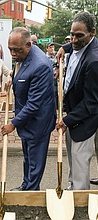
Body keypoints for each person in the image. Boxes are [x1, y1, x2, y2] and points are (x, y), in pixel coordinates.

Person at [1, 27, 56, 191]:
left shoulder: (41, 66)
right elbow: (24, 75)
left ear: (29, 45)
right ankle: (26, 185)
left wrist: (14, 123)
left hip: (38, 122)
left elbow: (34, 104)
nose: (13, 54)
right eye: (10, 49)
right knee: (28, 158)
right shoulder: (24, 56)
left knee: (35, 161)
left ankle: (31, 193)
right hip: (28, 121)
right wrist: (14, 79)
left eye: (17, 50)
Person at [56, 11, 98, 190]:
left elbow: (91, 102)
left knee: (80, 161)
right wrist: (63, 48)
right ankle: (73, 188)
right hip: (74, 115)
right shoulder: (76, 47)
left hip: (85, 119)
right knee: (73, 158)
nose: (73, 40)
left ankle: (80, 200)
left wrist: (67, 120)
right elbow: (72, 46)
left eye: (79, 35)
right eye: (71, 34)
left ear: (92, 33)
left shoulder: (93, 62)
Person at [46, 42, 59, 108]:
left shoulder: (57, 56)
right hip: (46, 76)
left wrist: (57, 74)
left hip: (54, 76)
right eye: (50, 47)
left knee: (55, 91)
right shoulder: (44, 57)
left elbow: (59, 66)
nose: (52, 49)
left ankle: (55, 106)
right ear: (47, 49)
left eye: (53, 47)